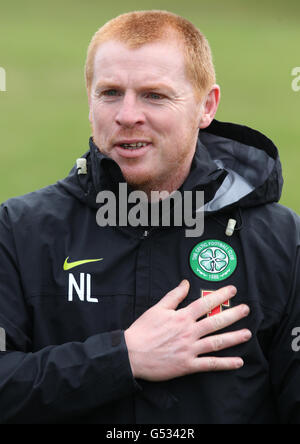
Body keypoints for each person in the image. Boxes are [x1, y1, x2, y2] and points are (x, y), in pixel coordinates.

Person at [0, 10, 299, 425]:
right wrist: (120, 359)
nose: (127, 115)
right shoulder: (18, 230)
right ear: (89, 102)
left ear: (205, 106)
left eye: (154, 95)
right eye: (109, 93)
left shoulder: (283, 241)